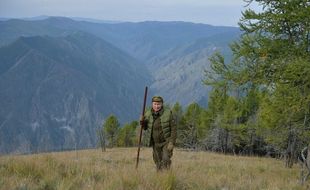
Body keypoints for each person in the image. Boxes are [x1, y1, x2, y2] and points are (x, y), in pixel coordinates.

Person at [140, 96, 177, 171]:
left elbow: (174, 129)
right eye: (155, 104)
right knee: (158, 162)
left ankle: (167, 177)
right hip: (155, 143)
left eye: (158, 104)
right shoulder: (148, 114)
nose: (156, 106)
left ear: (162, 104)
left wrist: (172, 142)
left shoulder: (168, 113)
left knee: (166, 159)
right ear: (152, 104)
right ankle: (160, 179)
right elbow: (145, 128)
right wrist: (142, 122)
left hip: (166, 142)